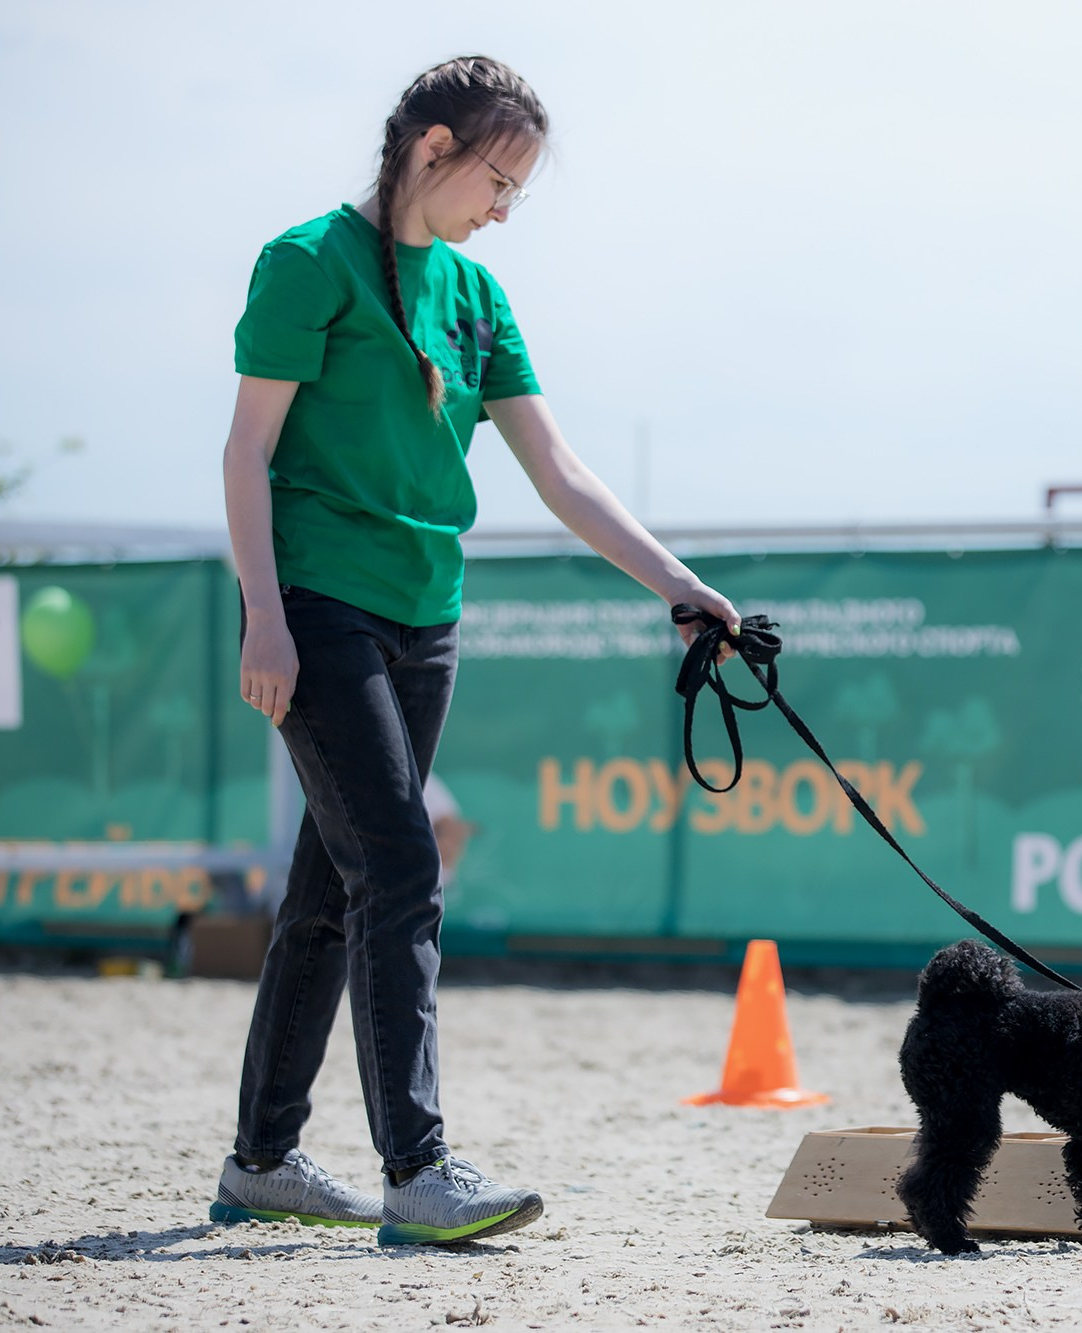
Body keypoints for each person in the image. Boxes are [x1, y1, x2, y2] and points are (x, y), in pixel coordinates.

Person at [209, 55, 738, 1247]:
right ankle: (418, 1170)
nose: (504, 210)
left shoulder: (478, 296)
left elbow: (558, 470)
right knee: (402, 868)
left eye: (518, 192)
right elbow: (247, 450)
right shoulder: (306, 261)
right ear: (432, 147)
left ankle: (262, 1161)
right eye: (498, 181)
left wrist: (679, 584)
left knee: (330, 887)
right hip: (318, 605)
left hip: (426, 615)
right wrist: (265, 614)